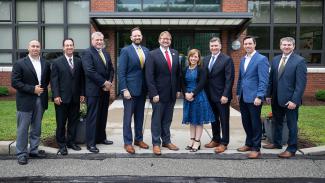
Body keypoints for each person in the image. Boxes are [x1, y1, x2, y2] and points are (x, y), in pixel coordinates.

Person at [263, 37, 307, 158]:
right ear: (280, 46)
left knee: (292, 124)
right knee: (277, 121)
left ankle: (292, 148)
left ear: (293, 46)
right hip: (276, 98)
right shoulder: (276, 59)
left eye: (289, 45)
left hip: (290, 100)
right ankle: (277, 143)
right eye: (284, 44)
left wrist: (294, 100)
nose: (286, 47)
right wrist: (268, 94)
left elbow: (301, 84)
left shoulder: (299, 61)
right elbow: (271, 79)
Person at [11, 40, 51, 165]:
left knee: (36, 127)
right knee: (23, 128)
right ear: (28, 48)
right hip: (25, 101)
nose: (35, 48)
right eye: (33, 46)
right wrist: (32, 89)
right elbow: (15, 82)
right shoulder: (20, 63)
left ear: (40, 48)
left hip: (40, 100)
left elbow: (47, 80)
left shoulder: (45, 63)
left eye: (37, 46)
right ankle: (21, 153)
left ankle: (34, 150)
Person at [145, 31, 181, 155]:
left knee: (167, 119)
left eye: (168, 39)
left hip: (171, 94)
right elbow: (149, 76)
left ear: (170, 41)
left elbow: (177, 74)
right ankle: (156, 143)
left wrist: (177, 89)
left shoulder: (175, 53)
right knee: (157, 119)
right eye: (163, 38)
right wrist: (153, 93)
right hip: (158, 95)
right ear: (159, 40)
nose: (166, 40)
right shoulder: (152, 54)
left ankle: (166, 140)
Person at [236, 36, 269, 159]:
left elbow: (264, 80)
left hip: (255, 97)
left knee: (255, 123)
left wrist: (260, 96)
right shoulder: (243, 59)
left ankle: (256, 148)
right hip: (244, 96)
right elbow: (241, 78)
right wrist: (238, 93)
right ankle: (248, 143)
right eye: (246, 44)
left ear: (254, 44)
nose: (248, 46)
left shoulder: (261, 59)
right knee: (246, 121)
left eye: (250, 43)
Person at [118, 27, 150, 154]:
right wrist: (124, 89)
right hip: (129, 91)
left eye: (139, 35)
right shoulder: (126, 51)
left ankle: (138, 139)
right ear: (131, 38)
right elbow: (121, 72)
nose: (137, 37)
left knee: (140, 116)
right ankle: (127, 142)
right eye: (135, 36)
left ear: (141, 37)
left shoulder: (147, 51)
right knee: (128, 118)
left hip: (142, 90)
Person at [51, 38, 85, 155]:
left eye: (71, 45)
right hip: (61, 99)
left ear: (73, 47)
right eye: (67, 45)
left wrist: (82, 93)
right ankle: (62, 145)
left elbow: (81, 79)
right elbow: (54, 81)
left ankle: (71, 142)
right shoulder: (56, 62)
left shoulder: (78, 61)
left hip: (75, 98)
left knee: (73, 122)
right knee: (61, 123)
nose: (69, 47)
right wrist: (56, 95)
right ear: (63, 48)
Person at [82, 32, 114, 153]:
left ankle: (101, 138)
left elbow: (111, 69)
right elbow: (89, 71)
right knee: (93, 117)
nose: (100, 42)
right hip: (93, 91)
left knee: (102, 115)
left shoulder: (105, 52)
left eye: (101, 40)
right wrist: (104, 83)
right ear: (92, 40)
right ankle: (91, 143)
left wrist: (109, 82)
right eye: (97, 40)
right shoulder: (87, 53)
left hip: (105, 91)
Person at [203, 37, 235, 153]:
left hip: (222, 97)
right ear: (209, 47)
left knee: (224, 120)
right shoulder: (206, 59)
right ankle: (216, 139)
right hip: (209, 95)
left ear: (220, 46)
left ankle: (224, 142)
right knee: (213, 119)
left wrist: (226, 95)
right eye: (212, 46)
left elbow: (229, 79)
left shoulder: (227, 59)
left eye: (216, 46)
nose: (214, 48)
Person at [181, 49, 215, 152]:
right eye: (191, 56)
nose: (193, 58)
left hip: (199, 97)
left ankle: (197, 141)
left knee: (199, 120)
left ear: (199, 58)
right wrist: (186, 93)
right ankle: (191, 140)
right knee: (192, 120)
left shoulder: (202, 69)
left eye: (196, 57)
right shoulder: (185, 69)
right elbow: (182, 83)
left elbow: (202, 83)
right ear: (188, 57)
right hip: (188, 97)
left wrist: (192, 94)